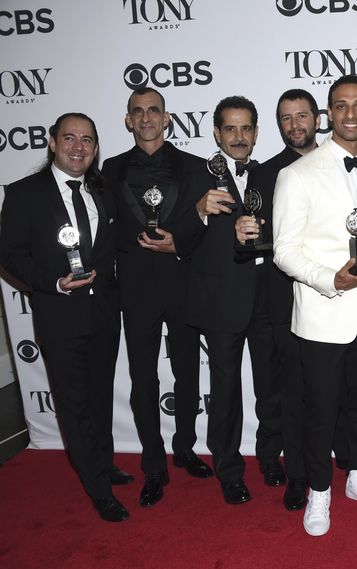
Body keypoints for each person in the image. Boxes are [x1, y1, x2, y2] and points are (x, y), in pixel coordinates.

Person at [273, 74, 357, 537]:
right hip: (323, 309)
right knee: (321, 408)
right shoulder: (297, 174)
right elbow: (284, 251)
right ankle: (320, 491)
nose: (350, 114)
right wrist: (331, 279)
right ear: (328, 115)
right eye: (341, 106)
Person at [0, 113, 125, 521]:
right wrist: (52, 282)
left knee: (101, 395)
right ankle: (97, 486)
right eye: (69, 138)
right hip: (59, 316)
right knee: (75, 404)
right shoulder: (24, 193)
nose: (78, 147)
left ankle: (103, 463)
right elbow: (10, 253)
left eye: (87, 140)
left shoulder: (102, 190)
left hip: (103, 314)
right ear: (52, 142)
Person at [101, 87, 212, 509]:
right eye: (138, 111)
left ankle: (185, 448)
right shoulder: (108, 170)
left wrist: (178, 244)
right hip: (134, 290)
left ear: (167, 118)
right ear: (128, 120)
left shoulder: (196, 167)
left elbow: (206, 227)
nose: (146, 118)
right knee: (143, 378)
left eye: (154, 110)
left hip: (183, 284)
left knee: (187, 374)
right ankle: (153, 463)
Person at [170, 96, 280, 504]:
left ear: (255, 133)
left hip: (267, 299)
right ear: (216, 132)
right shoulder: (195, 175)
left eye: (246, 128)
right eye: (230, 129)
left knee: (271, 389)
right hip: (220, 303)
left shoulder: (267, 175)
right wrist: (199, 211)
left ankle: (270, 458)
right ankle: (229, 471)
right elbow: (177, 238)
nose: (238, 137)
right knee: (226, 391)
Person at [235, 88, 319, 511]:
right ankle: (275, 459)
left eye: (301, 116)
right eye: (286, 118)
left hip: (326, 298)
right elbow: (255, 241)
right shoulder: (263, 174)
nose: (294, 125)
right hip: (278, 299)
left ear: (317, 119)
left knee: (320, 389)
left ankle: (328, 459)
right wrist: (244, 236)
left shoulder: (336, 165)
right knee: (274, 388)